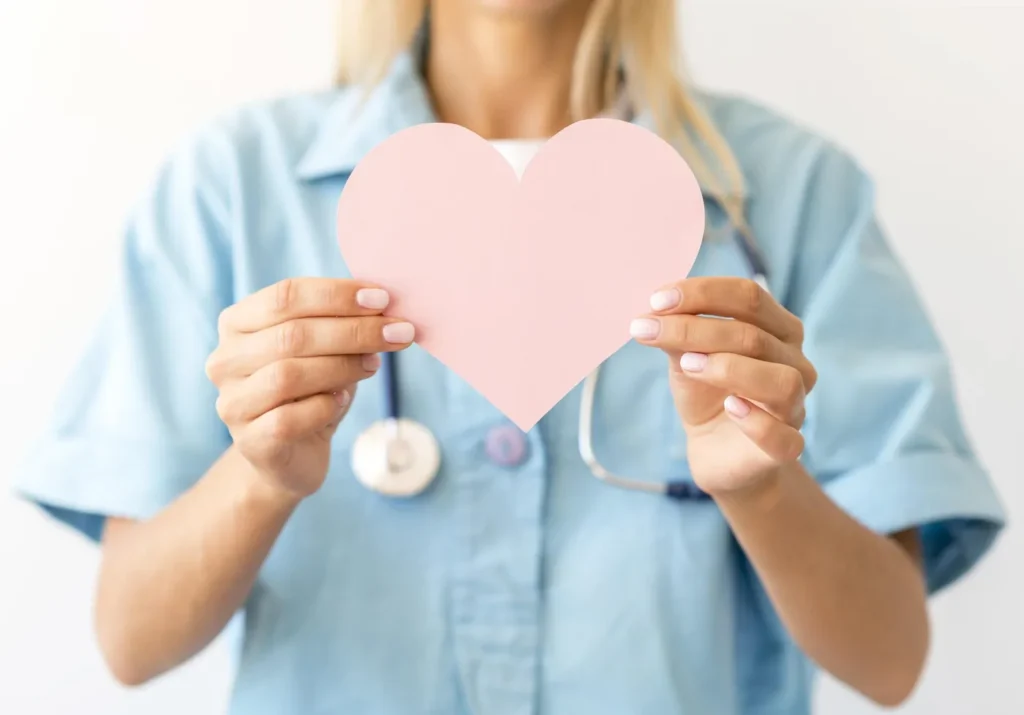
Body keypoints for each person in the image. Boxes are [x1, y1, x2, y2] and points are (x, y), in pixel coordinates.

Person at [14, 1, 1006, 714]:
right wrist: (259, 477)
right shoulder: (231, 187)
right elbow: (131, 640)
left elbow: (889, 660)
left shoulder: (792, 197)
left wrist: (759, 488)